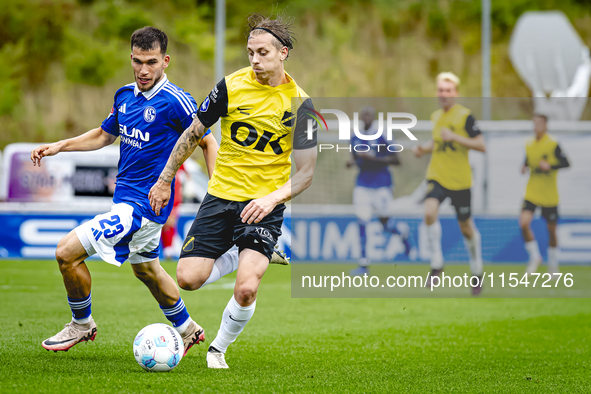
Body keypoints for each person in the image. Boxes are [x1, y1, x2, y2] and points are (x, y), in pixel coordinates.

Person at [30, 27, 220, 354]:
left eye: (151, 62)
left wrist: (218, 195)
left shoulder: (176, 101)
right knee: (146, 268)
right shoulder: (124, 95)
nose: (143, 70)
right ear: (130, 58)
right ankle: (187, 329)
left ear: (166, 61)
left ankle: (81, 323)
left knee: (65, 252)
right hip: (128, 203)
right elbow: (105, 135)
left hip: (140, 210)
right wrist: (61, 145)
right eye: (137, 61)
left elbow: (207, 140)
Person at [149, 13, 317, 369]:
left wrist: (271, 198)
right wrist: (165, 180)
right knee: (188, 279)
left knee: (246, 288)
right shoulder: (231, 85)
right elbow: (194, 133)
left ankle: (218, 349)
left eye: (262, 53)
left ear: (283, 52)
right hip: (221, 196)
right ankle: (240, 251)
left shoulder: (302, 106)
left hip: (264, 206)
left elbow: (306, 174)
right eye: (250, 53)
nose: (254, 60)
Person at [412, 72, 486, 295]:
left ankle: (476, 268)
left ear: (455, 93)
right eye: (440, 90)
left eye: (448, 90)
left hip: (461, 181)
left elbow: (481, 145)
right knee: (429, 211)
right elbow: (437, 142)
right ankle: (437, 263)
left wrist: (455, 138)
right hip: (437, 175)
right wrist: (423, 149)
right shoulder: (436, 116)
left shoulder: (465, 116)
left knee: (466, 227)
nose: (443, 94)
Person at [347, 106, 415, 276]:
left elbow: (396, 159)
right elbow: (355, 158)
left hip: (382, 185)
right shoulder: (355, 137)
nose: (367, 117)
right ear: (361, 118)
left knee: (385, 224)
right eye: (364, 114)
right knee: (362, 221)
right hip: (362, 184)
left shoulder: (383, 134)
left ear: (374, 117)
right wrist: (352, 163)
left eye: (370, 114)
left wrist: (373, 158)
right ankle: (363, 265)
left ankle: (402, 232)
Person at [520, 113, 570, 276]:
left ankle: (553, 264)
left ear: (546, 125)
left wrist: (550, 165)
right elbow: (527, 160)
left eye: (539, 123)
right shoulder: (529, 144)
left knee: (551, 230)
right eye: (534, 123)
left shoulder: (553, 143)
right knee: (523, 223)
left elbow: (566, 162)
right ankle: (535, 257)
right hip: (532, 191)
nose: (536, 126)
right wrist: (524, 167)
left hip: (549, 194)